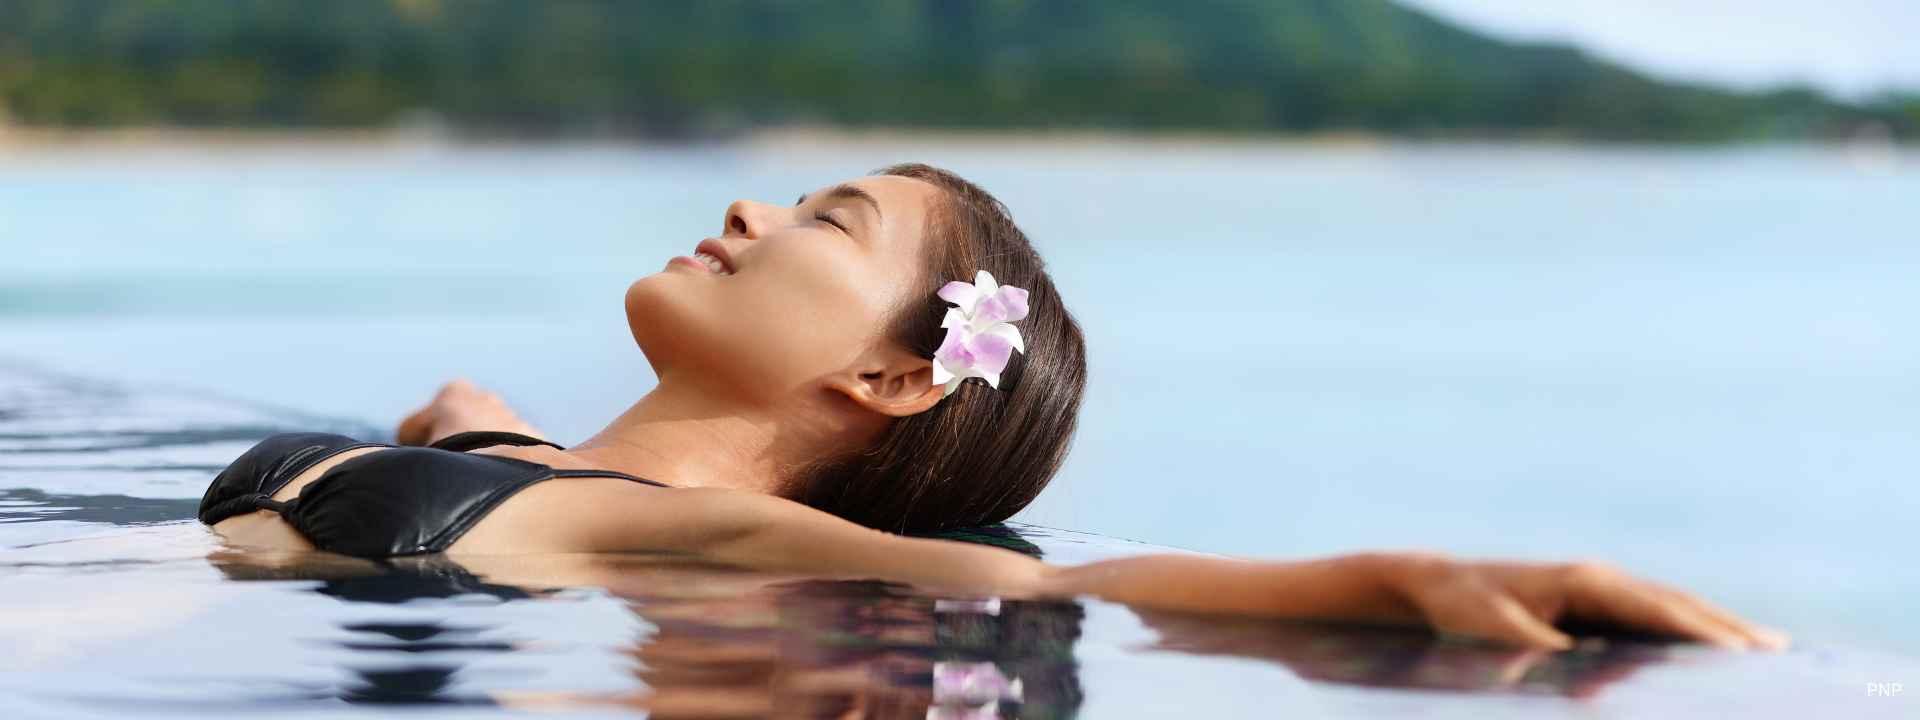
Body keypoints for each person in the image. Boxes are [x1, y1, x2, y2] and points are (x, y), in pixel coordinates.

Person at [200, 163, 1787, 653]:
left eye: (824, 221)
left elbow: (1055, 586)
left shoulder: (703, 529)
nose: (750, 213)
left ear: (890, 378)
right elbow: (482, 438)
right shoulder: (514, 459)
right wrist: (465, 426)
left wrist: (1402, 583)